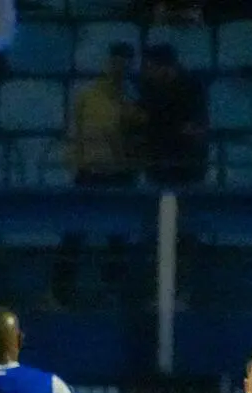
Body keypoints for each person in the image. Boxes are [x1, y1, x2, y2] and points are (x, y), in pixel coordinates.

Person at [52, 43, 140, 308]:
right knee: (74, 234)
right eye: (116, 61)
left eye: (124, 62)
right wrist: (76, 164)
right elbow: (74, 133)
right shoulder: (87, 97)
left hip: (120, 174)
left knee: (117, 238)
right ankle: (60, 292)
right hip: (89, 172)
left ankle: (113, 291)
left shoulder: (132, 100)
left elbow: (137, 138)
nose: (119, 67)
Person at [137, 43, 207, 187]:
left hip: (186, 162)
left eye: (151, 67)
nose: (148, 72)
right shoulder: (149, 88)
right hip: (157, 161)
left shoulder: (191, 86)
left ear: (165, 67)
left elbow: (194, 126)